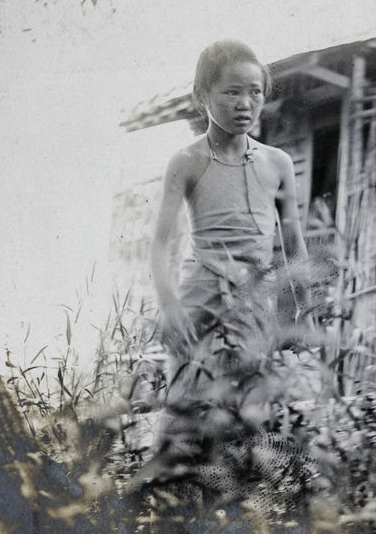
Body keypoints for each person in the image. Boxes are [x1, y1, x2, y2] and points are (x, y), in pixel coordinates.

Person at [146, 40, 313, 473]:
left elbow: (294, 244)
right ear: (203, 96)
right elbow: (160, 243)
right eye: (232, 91)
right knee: (185, 409)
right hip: (200, 299)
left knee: (247, 415)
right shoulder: (187, 161)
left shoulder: (277, 163)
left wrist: (300, 311)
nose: (246, 103)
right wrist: (169, 308)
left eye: (255, 91)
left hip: (255, 304)